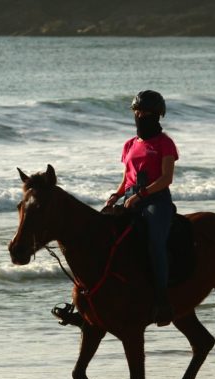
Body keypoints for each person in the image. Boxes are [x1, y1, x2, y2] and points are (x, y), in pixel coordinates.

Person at [52, 90, 178, 328]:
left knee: (154, 242)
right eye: (137, 111)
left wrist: (141, 195)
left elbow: (166, 179)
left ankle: (162, 300)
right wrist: (117, 195)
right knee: (96, 237)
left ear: (156, 116)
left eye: (144, 112)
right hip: (131, 197)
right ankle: (87, 302)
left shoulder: (165, 143)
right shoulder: (130, 144)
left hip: (156, 201)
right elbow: (126, 179)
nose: (139, 115)